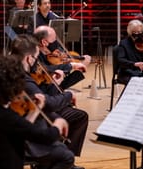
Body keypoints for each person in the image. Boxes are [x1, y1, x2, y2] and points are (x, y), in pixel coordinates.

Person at [0, 55, 74, 169]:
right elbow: (46, 137)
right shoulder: (6, 117)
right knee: (66, 156)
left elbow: (23, 128)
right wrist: (59, 124)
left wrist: (35, 111)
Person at [10, 34, 88, 169]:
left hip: (29, 115)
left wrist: (55, 83)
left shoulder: (13, 71)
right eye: (35, 58)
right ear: (28, 59)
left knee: (75, 116)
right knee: (65, 153)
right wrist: (68, 95)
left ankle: (55, 159)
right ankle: (53, 161)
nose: (36, 62)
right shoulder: (23, 78)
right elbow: (47, 103)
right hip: (28, 130)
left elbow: (43, 96)